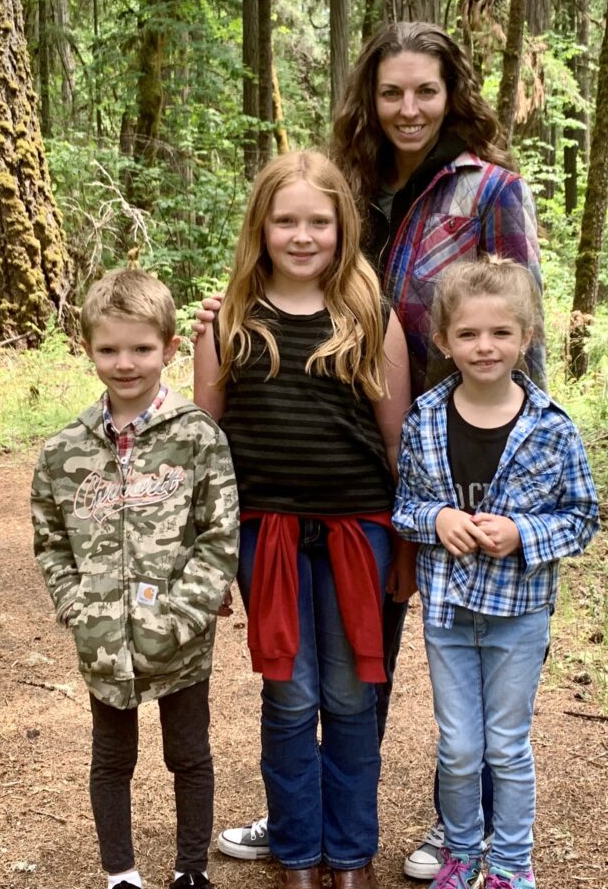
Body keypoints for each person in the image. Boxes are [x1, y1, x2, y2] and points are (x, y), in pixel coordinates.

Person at [208, 21, 545, 879]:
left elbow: (523, 326)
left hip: (446, 455)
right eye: (391, 91)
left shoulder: (488, 191)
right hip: (329, 458)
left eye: (426, 90)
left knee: (437, 656)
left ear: (451, 94)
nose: (408, 108)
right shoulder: (350, 178)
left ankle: (455, 831)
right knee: (326, 675)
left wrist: (519, 458)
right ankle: (308, 822)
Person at [193, 151, 412, 889]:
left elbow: (396, 441)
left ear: (342, 227)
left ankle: (349, 855)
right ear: (260, 226)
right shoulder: (228, 321)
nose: (301, 235)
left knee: (351, 693)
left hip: (360, 531)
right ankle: (295, 852)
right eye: (285, 220)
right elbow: (205, 447)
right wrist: (208, 553)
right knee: (289, 695)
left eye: (318, 221)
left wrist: (407, 545)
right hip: (267, 534)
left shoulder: (372, 318)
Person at [393, 255, 599, 889]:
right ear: (444, 340)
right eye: (469, 333)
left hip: (519, 616)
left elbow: (582, 516)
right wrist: (435, 519)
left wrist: (523, 534)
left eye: (501, 332)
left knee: (506, 747)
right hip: (449, 614)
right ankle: (461, 856)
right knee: (459, 748)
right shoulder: (425, 419)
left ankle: (511, 864)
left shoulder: (552, 429)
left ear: (526, 336)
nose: (485, 346)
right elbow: (404, 506)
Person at [31, 268, 240, 889]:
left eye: (142, 348)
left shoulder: (197, 436)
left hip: (181, 640)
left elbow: (220, 533)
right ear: (87, 348)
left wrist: (184, 614)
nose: (125, 363)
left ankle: (190, 869)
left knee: (189, 755)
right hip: (103, 643)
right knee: (111, 760)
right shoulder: (63, 452)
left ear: (170, 348)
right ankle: (121, 872)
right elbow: (51, 539)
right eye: (109, 349)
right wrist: (77, 606)